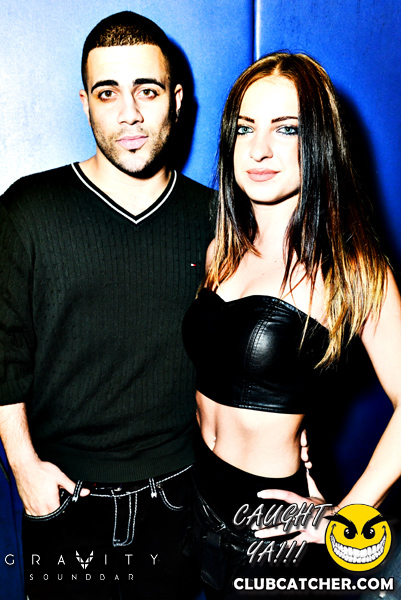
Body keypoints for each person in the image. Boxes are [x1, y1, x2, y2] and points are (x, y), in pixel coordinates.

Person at [0, 11, 214, 600]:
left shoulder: (217, 219)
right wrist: (24, 467)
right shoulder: (27, 210)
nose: (130, 114)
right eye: (107, 92)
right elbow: (3, 352)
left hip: (182, 501)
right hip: (65, 501)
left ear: (176, 100)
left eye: (147, 91)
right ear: (85, 103)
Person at [182, 51, 401, 598]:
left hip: (271, 527)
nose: (259, 149)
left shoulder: (350, 270)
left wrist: (350, 514)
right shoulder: (221, 249)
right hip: (197, 495)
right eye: (245, 128)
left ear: (319, 141)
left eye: (287, 129)